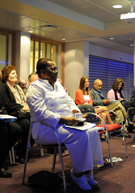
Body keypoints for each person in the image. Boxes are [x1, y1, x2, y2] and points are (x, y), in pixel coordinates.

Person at [26, 58, 103, 190]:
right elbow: (40, 113)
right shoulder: (35, 88)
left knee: (92, 131)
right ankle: (78, 174)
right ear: (43, 72)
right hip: (45, 129)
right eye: (53, 69)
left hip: (64, 124)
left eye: (56, 68)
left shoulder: (58, 85)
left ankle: (87, 170)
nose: (56, 71)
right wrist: (63, 119)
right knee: (80, 134)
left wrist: (75, 113)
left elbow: (69, 100)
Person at [0, 66, 34, 164]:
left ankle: (22, 150)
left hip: (23, 114)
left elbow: (25, 101)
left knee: (35, 124)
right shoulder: (3, 86)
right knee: (27, 124)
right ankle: (21, 152)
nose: (16, 75)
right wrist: (22, 107)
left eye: (15, 73)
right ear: (6, 75)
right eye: (13, 73)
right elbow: (7, 104)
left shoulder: (18, 87)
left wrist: (26, 107)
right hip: (12, 115)